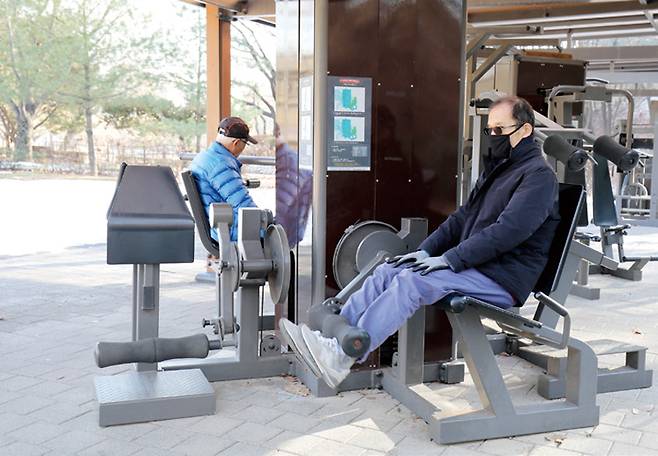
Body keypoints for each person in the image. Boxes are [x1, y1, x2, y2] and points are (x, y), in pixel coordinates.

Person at [280, 95, 560, 389]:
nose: (493, 137)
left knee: (413, 282)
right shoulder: (500, 169)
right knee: (390, 269)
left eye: (500, 130)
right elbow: (461, 219)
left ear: (525, 130)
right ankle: (333, 338)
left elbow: (508, 232)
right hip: (480, 266)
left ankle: (343, 356)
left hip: (502, 276)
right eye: (490, 130)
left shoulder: (539, 177)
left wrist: (449, 259)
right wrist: (424, 251)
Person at [190, 116, 258, 242]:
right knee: (277, 229)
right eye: (245, 143)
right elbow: (244, 206)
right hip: (226, 229)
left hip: (216, 224)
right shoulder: (222, 165)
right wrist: (268, 221)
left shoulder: (204, 157)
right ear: (236, 143)